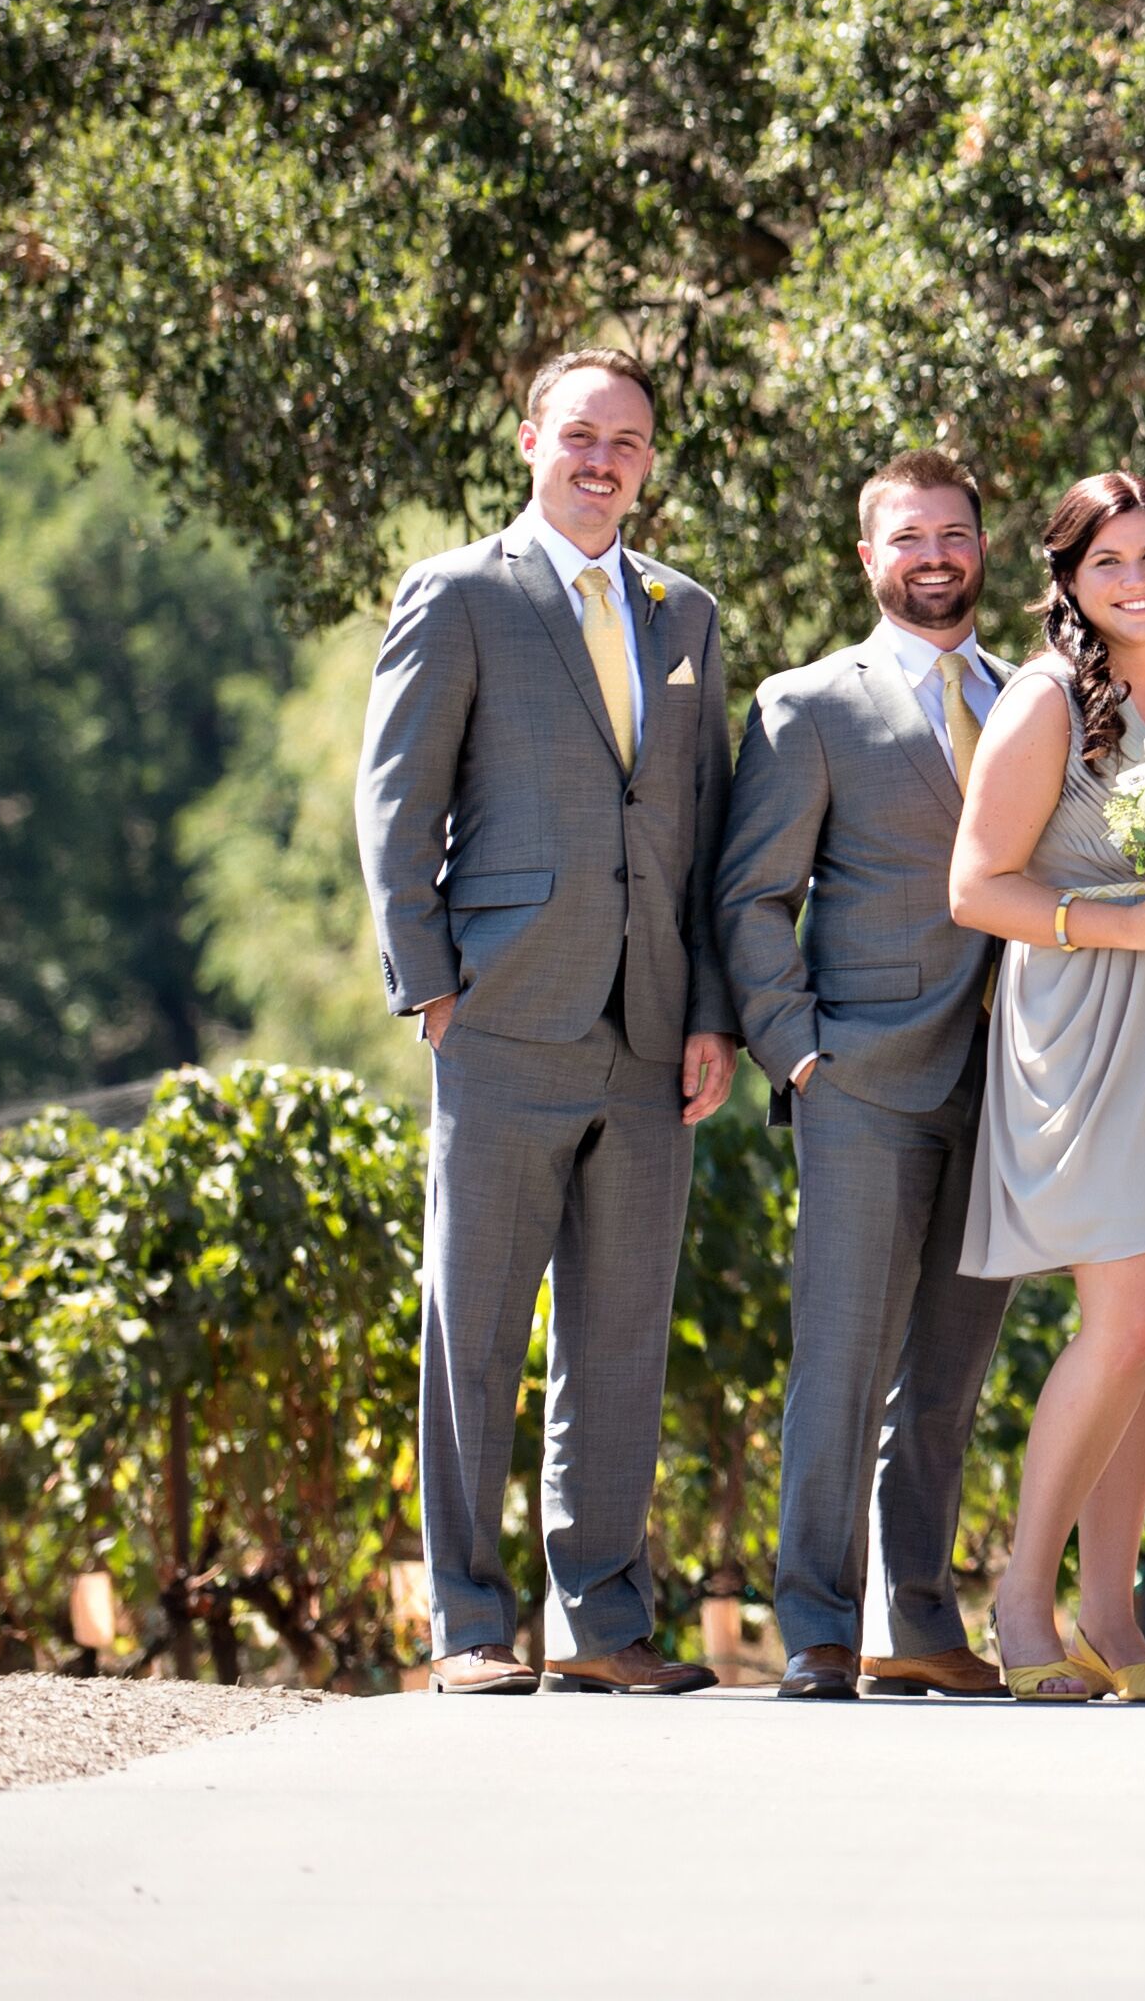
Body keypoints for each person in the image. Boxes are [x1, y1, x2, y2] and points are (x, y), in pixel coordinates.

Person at [359, 347, 739, 1697]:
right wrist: (430, 982)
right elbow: (395, 803)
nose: (602, 460)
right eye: (580, 435)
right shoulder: (458, 595)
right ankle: (469, 1622)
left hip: (651, 1031)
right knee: (476, 1330)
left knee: (621, 1335)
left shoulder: (686, 615)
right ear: (530, 439)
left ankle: (603, 1622)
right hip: (505, 1014)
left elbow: (703, 837)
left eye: (627, 442)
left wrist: (710, 1010)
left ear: (649, 462)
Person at [712, 447, 1021, 1702]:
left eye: (953, 532)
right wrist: (797, 1052)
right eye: (908, 537)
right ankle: (819, 1625)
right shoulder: (810, 705)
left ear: (981, 548)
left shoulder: (1033, 698)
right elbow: (750, 896)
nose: (934, 555)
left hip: (1008, 1085)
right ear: (868, 557)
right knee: (840, 1365)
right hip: (862, 1083)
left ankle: (923, 1619)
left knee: (948, 1377)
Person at [951, 470, 1145, 1704]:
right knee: (1118, 1322)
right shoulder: (1043, 700)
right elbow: (975, 885)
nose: (1136, 579)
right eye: (1110, 560)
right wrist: (1118, 925)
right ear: (1068, 578)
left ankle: (1111, 1615)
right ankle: (1020, 1597)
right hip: (1086, 1017)